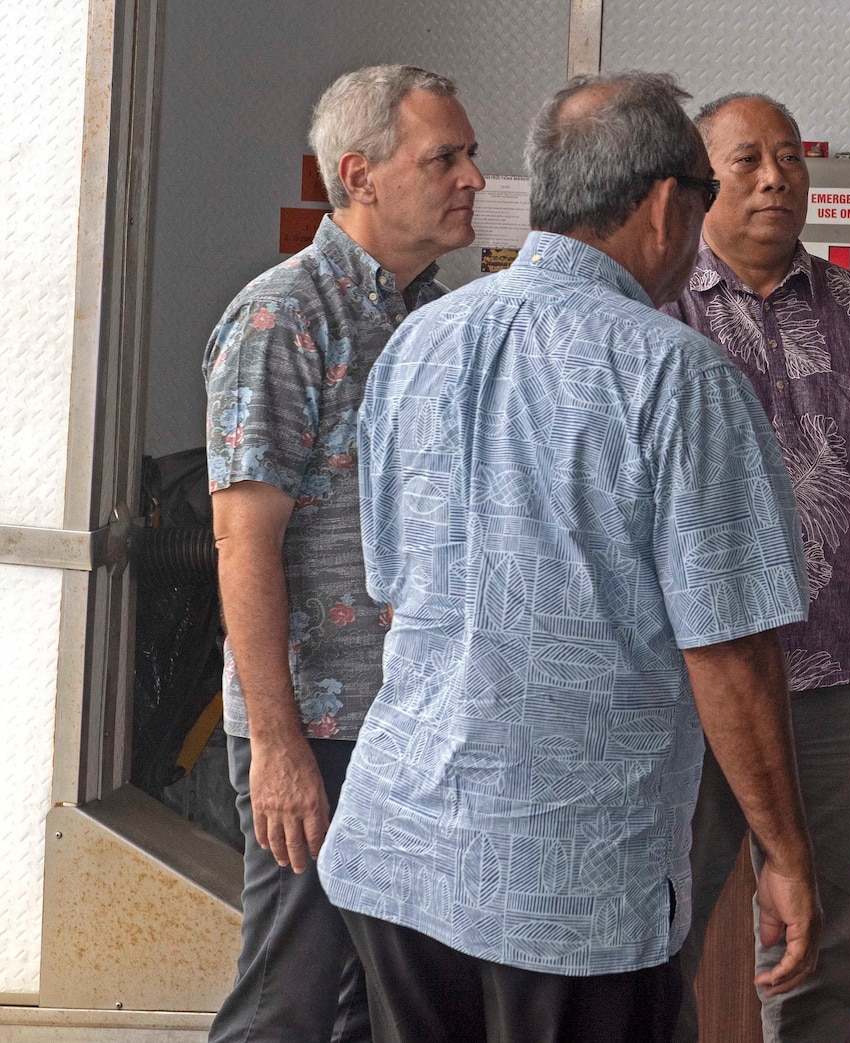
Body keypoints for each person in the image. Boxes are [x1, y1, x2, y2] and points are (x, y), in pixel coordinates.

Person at [316, 72, 821, 1043]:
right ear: (670, 202)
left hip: (397, 856)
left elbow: (393, 584)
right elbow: (728, 654)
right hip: (565, 887)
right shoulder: (677, 376)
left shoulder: (420, 342)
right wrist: (784, 853)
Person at [661, 93, 850, 1043]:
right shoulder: (655, 314)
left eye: (789, 158)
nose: (775, 177)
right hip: (690, 681)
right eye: (746, 160)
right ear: (701, 179)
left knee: (829, 936)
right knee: (656, 922)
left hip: (846, 681)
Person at [203, 65, 483, 1043]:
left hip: (415, 724)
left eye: (469, 155)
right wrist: (279, 748)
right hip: (320, 727)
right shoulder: (285, 316)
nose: (471, 178)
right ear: (360, 175)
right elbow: (244, 537)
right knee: (291, 1003)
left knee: (387, 1012)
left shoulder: (437, 318)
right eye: (442, 157)